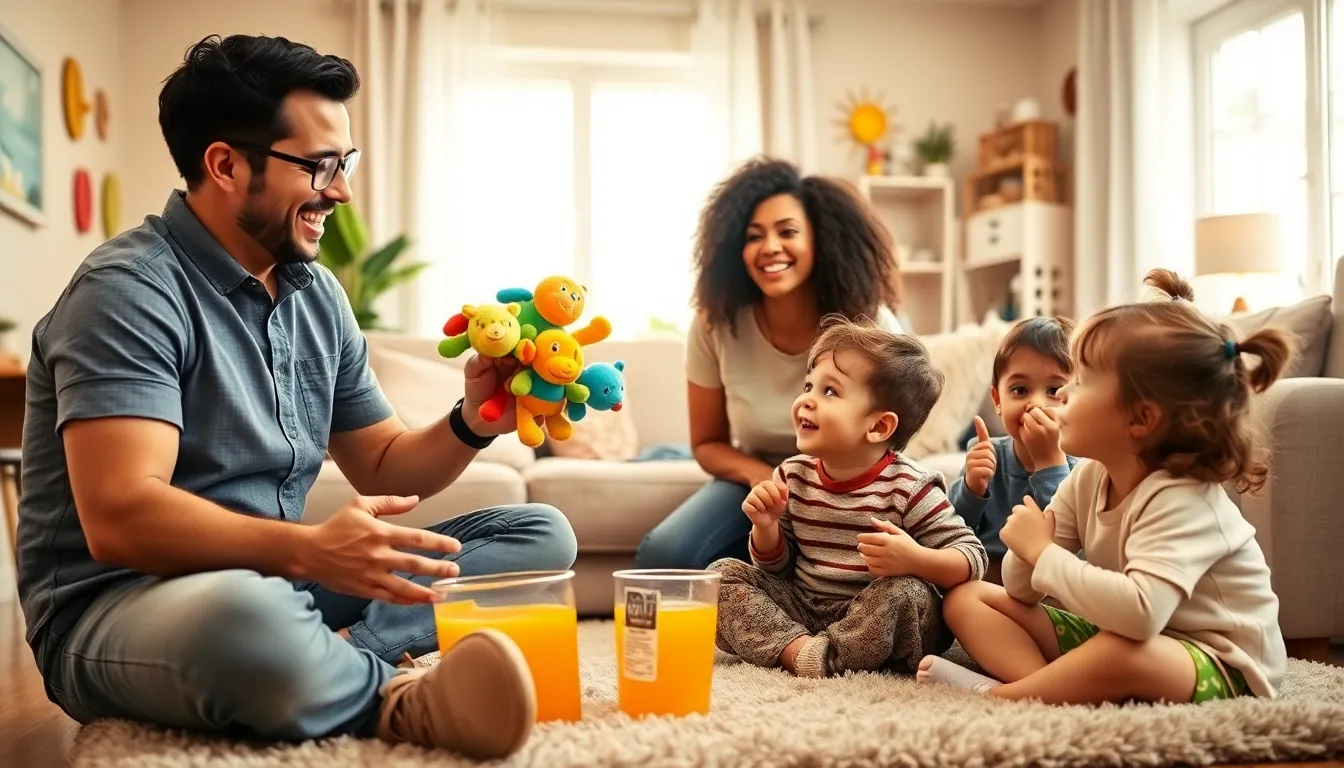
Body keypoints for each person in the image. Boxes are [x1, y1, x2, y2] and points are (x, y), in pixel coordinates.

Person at [16, 34, 577, 759]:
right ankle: (393, 699)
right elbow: (121, 517)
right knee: (248, 617)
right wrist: (310, 552)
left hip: (278, 580)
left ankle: (343, 655)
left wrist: (473, 418)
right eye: (319, 166)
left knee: (537, 537)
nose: (341, 189)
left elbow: (383, 463)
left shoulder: (315, 295)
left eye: (345, 163)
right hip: (124, 607)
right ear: (224, 165)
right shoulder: (128, 290)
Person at [917, 269, 1291, 706]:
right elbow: (1021, 591)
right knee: (967, 598)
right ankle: (1051, 688)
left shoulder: (1182, 499)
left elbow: (1141, 615)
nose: (1063, 396)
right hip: (1126, 632)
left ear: (1139, 419)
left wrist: (1042, 551)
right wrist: (1026, 550)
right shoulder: (1089, 477)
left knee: (1120, 652)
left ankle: (1009, 695)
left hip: (1220, 662)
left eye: (1080, 382)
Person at [635, 157, 904, 570]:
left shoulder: (870, 323)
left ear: (822, 240)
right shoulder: (715, 323)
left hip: (849, 479)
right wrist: (761, 477)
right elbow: (707, 444)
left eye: (788, 231)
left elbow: (896, 433)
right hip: (757, 477)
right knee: (664, 554)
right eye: (753, 236)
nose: (770, 247)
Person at [708, 317, 987, 678]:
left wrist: (915, 559)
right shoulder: (792, 476)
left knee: (908, 595)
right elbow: (778, 569)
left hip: (875, 613)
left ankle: (821, 654)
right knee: (719, 578)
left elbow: (972, 558)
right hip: (806, 609)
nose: (806, 400)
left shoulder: (910, 487)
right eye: (809, 385)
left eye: (829, 391)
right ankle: (802, 652)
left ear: (878, 427)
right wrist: (766, 528)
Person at [947, 316, 1080, 584]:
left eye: (1054, 389)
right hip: (984, 582)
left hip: (1045, 591)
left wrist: (1050, 463)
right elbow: (950, 534)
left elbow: (1069, 544)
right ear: (997, 401)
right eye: (1020, 390)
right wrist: (972, 488)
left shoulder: (1083, 469)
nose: (1036, 403)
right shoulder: (986, 453)